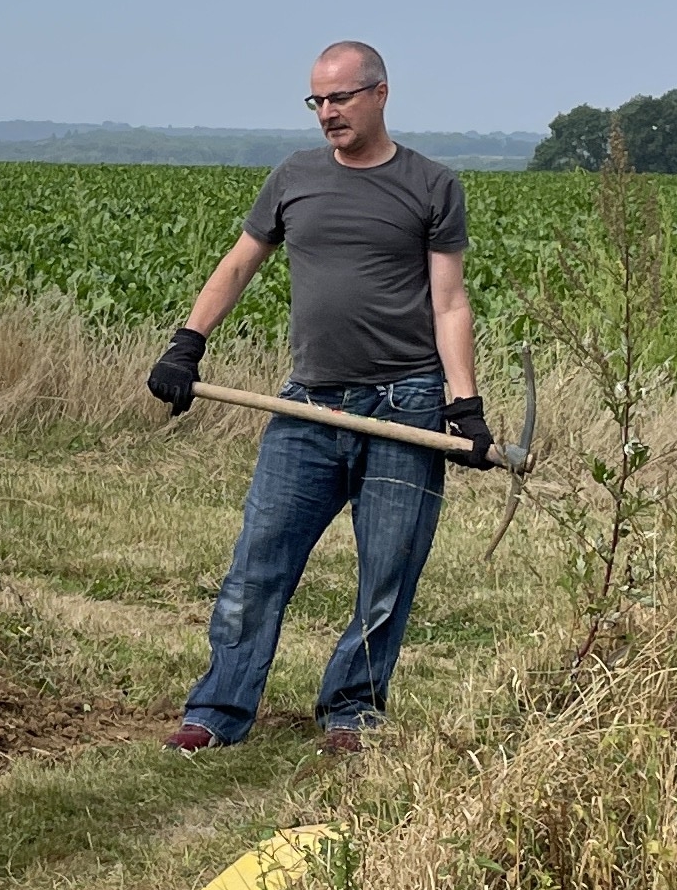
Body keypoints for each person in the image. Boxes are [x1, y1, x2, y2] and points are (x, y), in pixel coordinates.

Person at [146, 42, 485, 753]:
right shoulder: (294, 178)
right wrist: (188, 341)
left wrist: (464, 404)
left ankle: (351, 713)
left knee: (387, 574)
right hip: (308, 407)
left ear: (380, 94)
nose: (327, 114)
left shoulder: (431, 184)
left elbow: (449, 302)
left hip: (407, 406)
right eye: (317, 102)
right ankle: (218, 711)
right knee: (258, 560)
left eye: (340, 99)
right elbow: (239, 263)